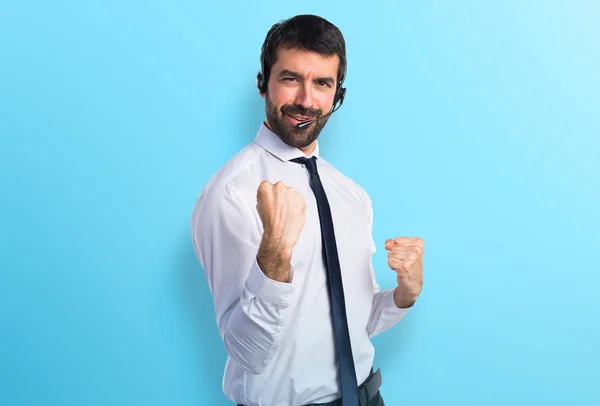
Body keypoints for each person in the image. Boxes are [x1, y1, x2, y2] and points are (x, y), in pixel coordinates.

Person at [191, 14, 424, 406]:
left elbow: (356, 322)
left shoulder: (351, 195)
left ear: (338, 95)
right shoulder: (229, 194)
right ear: (263, 82)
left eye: (321, 84)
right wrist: (274, 258)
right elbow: (246, 352)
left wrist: (404, 295)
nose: (305, 100)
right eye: (290, 78)